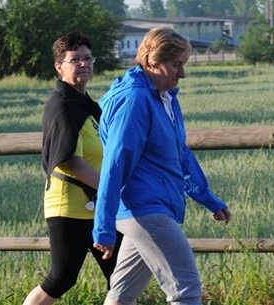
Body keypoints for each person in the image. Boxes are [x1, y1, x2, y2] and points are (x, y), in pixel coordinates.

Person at [93, 27, 232, 305]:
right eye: (176, 65)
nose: (182, 73)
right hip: (146, 210)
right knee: (186, 290)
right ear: (152, 61)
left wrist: (208, 199)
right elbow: (115, 164)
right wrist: (103, 227)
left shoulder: (162, 98)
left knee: (121, 295)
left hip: (146, 209)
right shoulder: (135, 100)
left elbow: (180, 155)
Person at [23, 32, 121, 305]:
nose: (83, 64)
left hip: (96, 206)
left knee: (121, 276)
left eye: (88, 58)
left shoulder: (86, 105)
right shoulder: (64, 107)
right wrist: (112, 190)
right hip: (69, 207)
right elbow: (70, 162)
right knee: (62, 277)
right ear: (59, 66)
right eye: (75, 59)